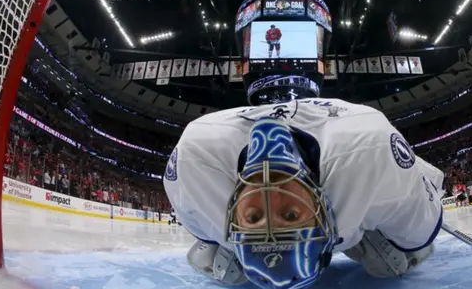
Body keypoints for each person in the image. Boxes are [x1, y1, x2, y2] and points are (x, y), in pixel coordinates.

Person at [164, 98, 444, 288]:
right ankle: (363, 233)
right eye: (290, 214)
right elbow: (416, 229)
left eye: (253, 217)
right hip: (356, 161)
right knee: (396, 260)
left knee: (221, 266)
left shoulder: (195, 161)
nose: (268, 193)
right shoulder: (371, 151)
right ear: (326, 215)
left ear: (232, 221)